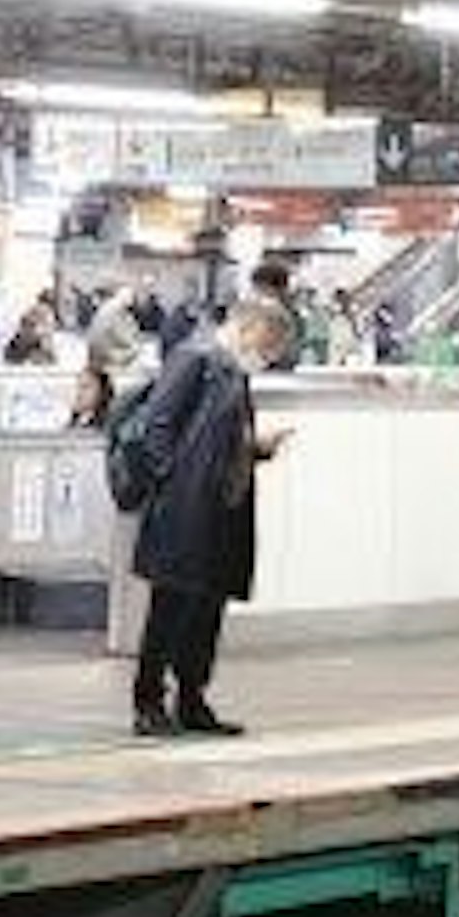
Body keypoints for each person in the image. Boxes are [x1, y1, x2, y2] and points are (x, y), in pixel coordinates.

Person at [125, 291, 284, 736]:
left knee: (206, 609)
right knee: (171, 606)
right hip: (185, 508)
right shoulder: (195, 358)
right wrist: (174, 481)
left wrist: (254, 450)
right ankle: (149, 701)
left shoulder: (232, 370)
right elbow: (158, 425)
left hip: (221, 507)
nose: (268, 357)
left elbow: (222, 437)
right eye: (269, 345)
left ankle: (193, 698)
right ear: (250, 328)